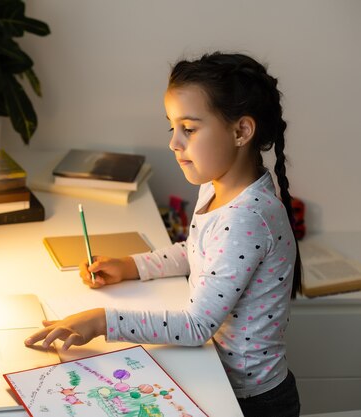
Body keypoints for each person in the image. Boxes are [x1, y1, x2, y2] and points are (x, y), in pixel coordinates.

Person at [25, 52, 302, 416]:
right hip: (218, 378)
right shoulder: (217, 187)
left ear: (241, 131)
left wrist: (101, 320)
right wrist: (130, 265)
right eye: (171, 127)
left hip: (251, 402)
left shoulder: (248, 218)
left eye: (188, 128)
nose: (174, 143)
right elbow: (197, 250)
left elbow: (196, 326)